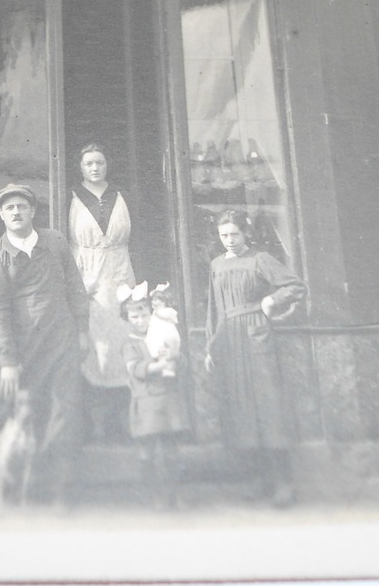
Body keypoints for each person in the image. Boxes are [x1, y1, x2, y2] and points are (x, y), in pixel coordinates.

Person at [0, 183, 91, 505]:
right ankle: (7, 484)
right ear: (1, 215)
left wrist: (82, 331)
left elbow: (75, 287)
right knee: (1, 410)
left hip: (62, 340)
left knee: (65, 412)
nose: (16, 212)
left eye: (21, 206)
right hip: (23, 349)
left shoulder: (54, 242)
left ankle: (61, 490)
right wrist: (7, 362)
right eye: (9, 208)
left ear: (32, 211)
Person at [203, 209, 305, 507]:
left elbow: (295, 285)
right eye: (224, 235)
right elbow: (214, 309)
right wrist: (211, 346)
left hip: (256, 333)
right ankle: (260, 481)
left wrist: (271, 300)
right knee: (242, 407)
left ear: (245, 233)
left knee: (267, 404)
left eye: (235, 234)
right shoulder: (216, 265)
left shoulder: (259, 259)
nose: (230, 241)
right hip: (229, 338)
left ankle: (285, 483)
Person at [67, 142, 136, 441]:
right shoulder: (70, 196)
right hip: (87, 278)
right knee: (93, 350)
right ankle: (93, 426)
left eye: (100, 162)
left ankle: (121, 425)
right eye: (89, 164)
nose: (95, 168)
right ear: (80, 167)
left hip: (120, 275)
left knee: (123, 347)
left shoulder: (122, 195)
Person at [120, 282, 189, 510]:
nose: (140, 321)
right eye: (134, 317)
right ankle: (153, 495)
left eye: (144, 315)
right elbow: (136, 369)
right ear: (127, 318)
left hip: (167, 399)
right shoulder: (130, 343)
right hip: (146, 402)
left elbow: (181, 362)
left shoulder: (163, 334)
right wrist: (157, 366)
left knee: (171, 452)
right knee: (147, 454)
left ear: (152, 313)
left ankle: (174, 494)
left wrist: (174, 356)